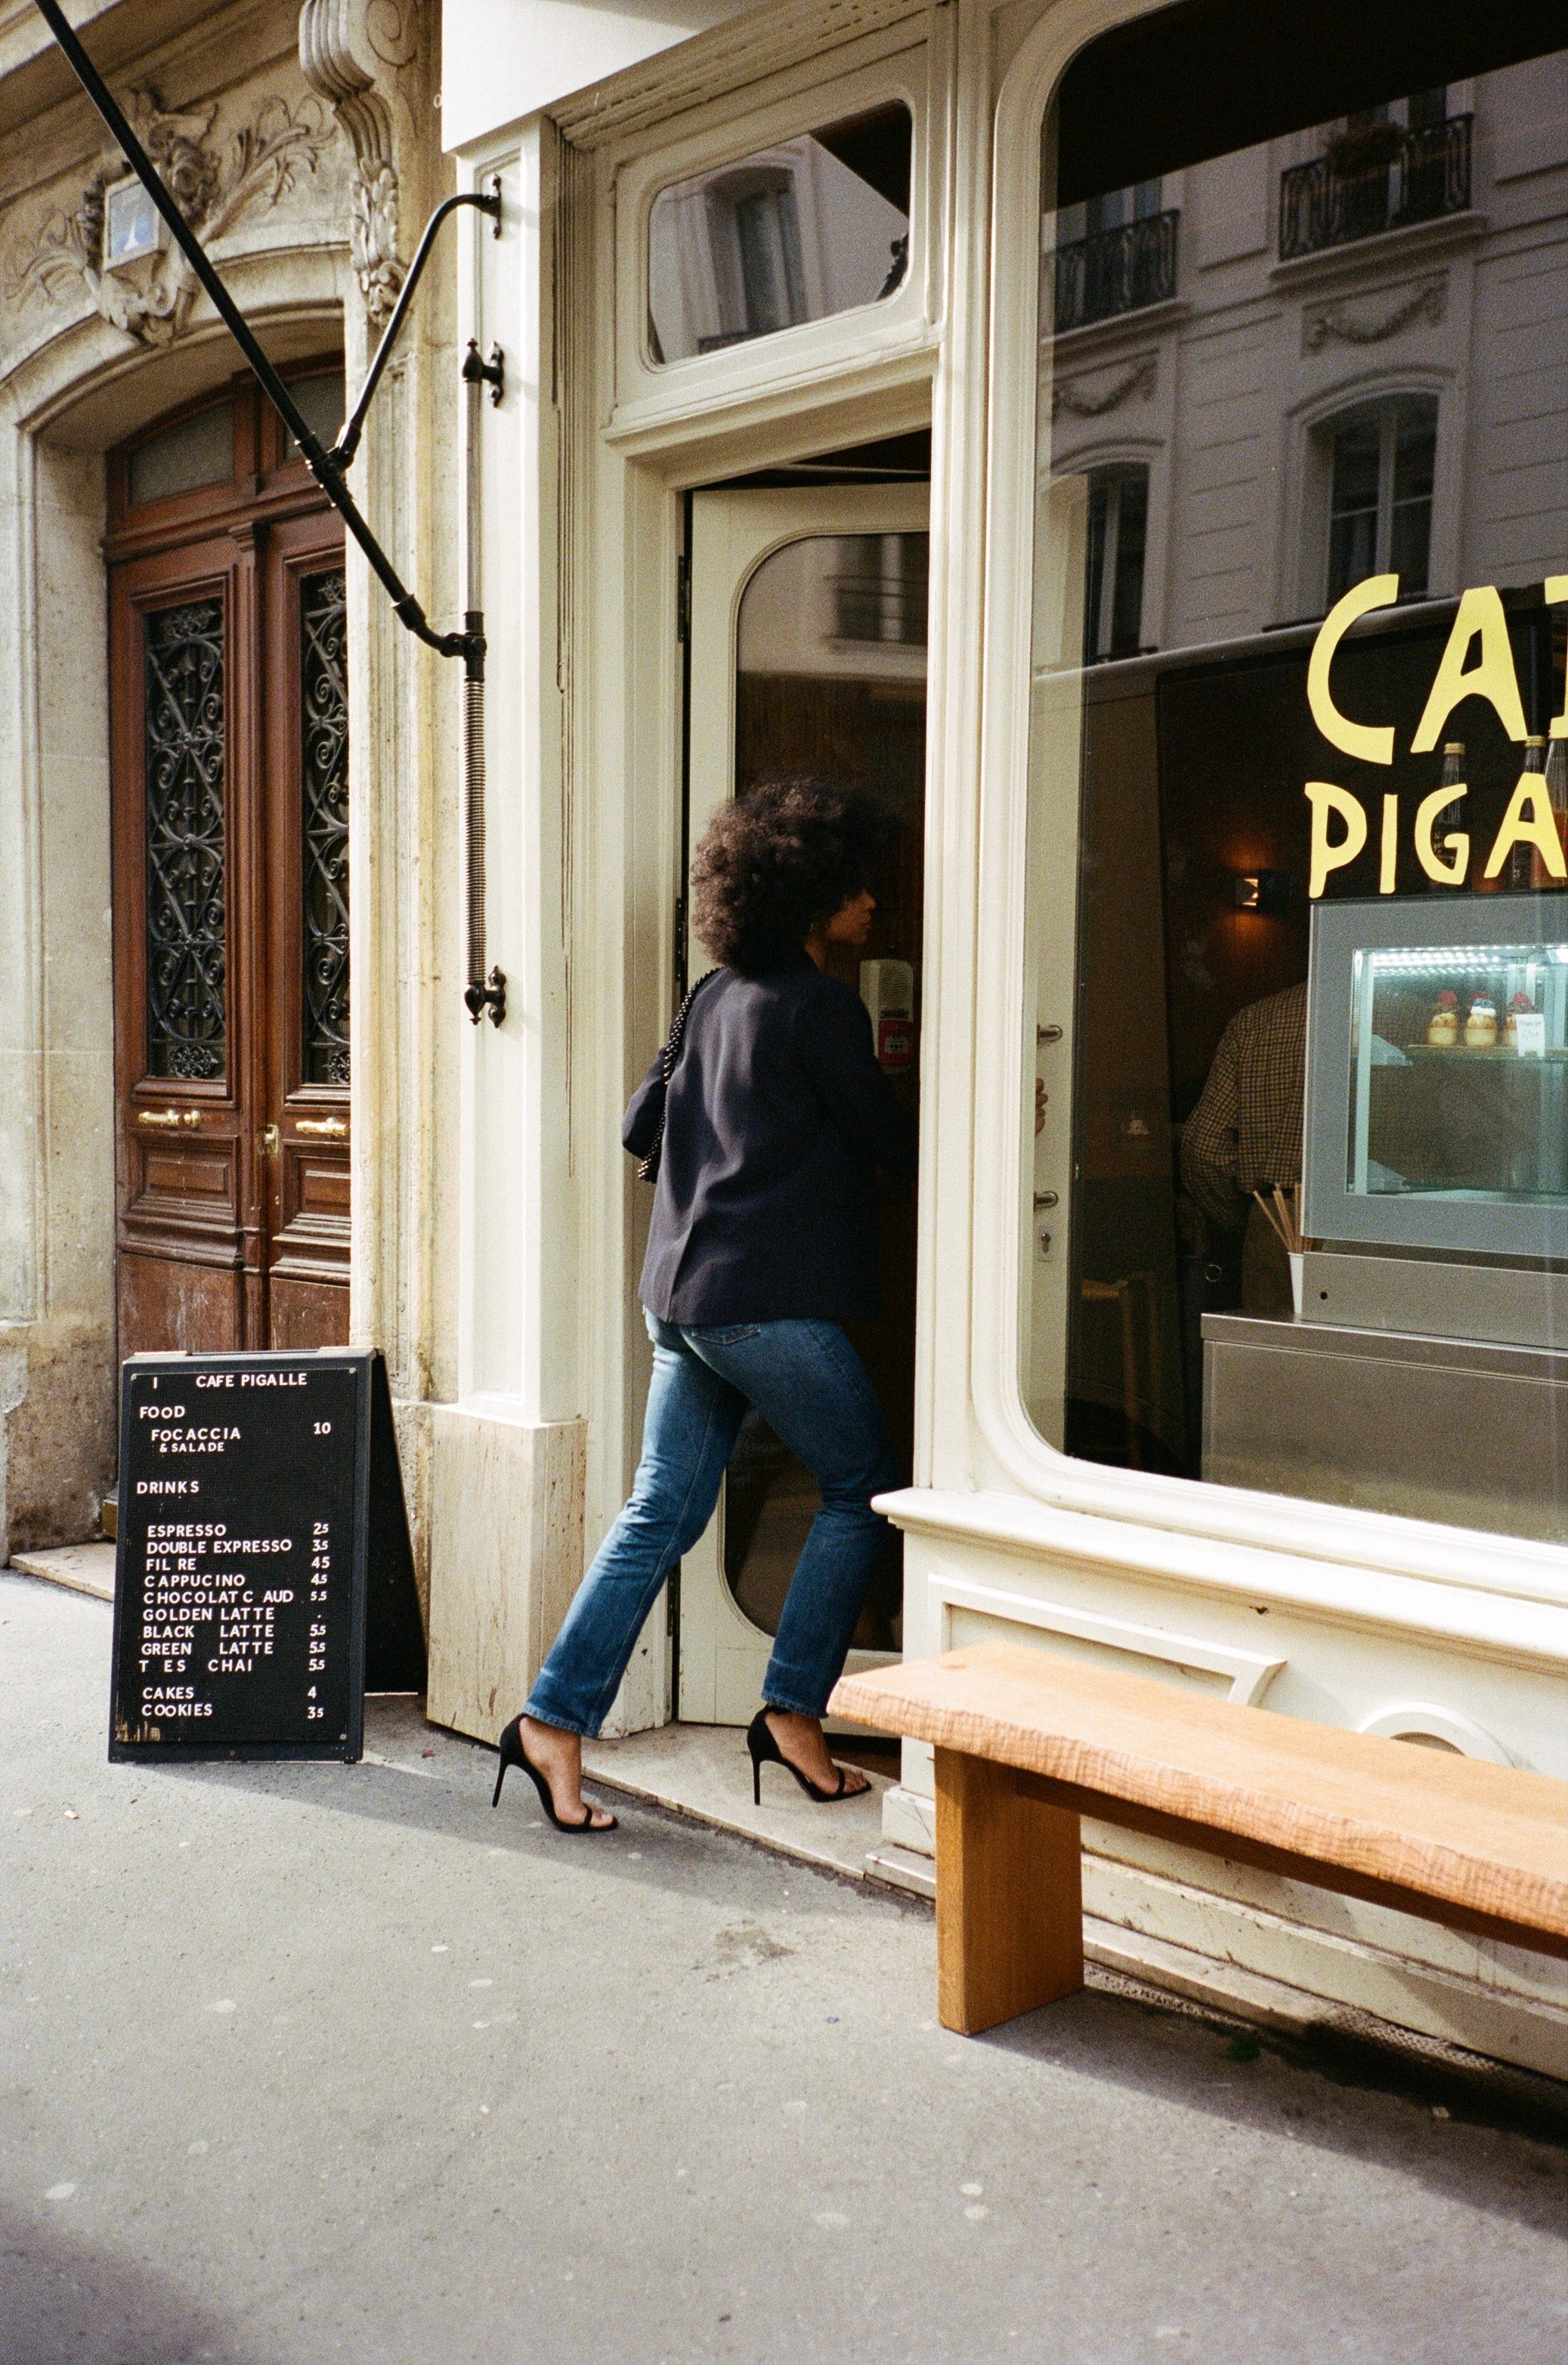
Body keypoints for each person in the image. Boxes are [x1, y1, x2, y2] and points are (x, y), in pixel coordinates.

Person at [493, 778, 919, 1832]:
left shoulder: (710, 995)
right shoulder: (819, 1005)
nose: (871, 903)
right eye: (854, 888)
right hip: (763, 1302)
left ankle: (551, 1720)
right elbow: (889, 1147)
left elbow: (648, 1124)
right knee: (861, 1486)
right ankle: (792, 1710)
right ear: (810, 894)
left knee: (660, 1515)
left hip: (678, 1298)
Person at [1180, 979, 1307, 1316]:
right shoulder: (1410, 1013)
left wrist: (1251, 1216)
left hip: (1276, 1223)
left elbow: (1203, 1147)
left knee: (1272, 1362)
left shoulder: (1258, 1020)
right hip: (1388, 1223)